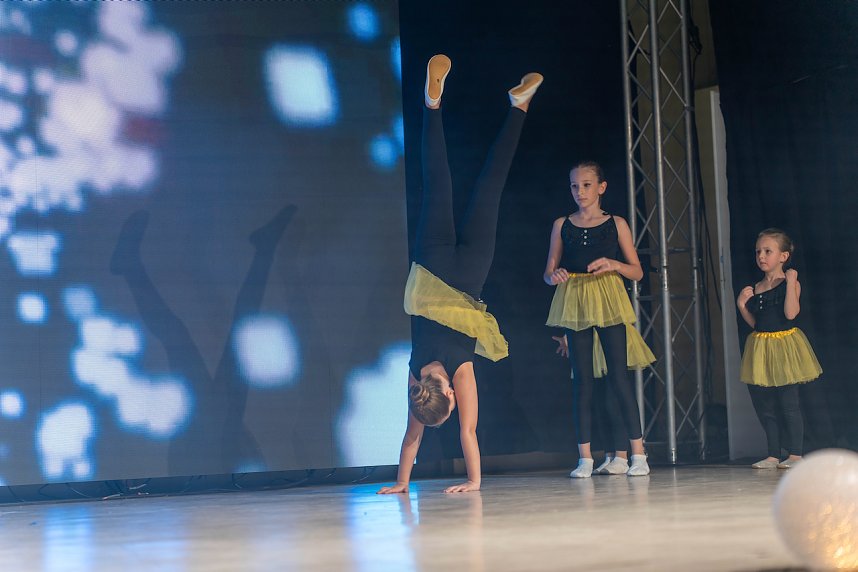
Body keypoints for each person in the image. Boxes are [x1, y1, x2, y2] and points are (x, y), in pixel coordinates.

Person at [377, 55, 542, 494]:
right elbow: (411, 440)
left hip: (469, 275)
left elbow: (467, 434)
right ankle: (432, 104)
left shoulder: (460, 375)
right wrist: (400, 484)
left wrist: (474, 481)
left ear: (447, 394)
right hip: (432, 267)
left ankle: (519, 106)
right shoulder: (416, 383)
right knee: (439, 182)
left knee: (493, 183)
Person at [544, 162, 655, 478]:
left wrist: (614, 264)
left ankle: (638, 454)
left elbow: (637, 270)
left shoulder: (616, 223)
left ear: (601, 187)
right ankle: (585, 458)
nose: (580, 192)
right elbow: (548, 272)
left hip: (607, 297)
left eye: (587, 185)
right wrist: (556, 275)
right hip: (575, 299)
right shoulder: (562, 224)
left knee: (618, 377)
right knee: (582, 380)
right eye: (575, 186)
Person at [736, 228, 822, 469]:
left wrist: (792, 281)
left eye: (767, 251)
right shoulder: (758, 287)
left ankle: (795, 454)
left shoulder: (789, 283)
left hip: (785, 346)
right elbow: (757, 323)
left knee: (788, 403)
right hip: (762, 346)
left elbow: (791, 313)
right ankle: (773, 453)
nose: (761, 256)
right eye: (758, 252)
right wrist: (742, 305)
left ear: (783, 256)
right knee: (766, 405)